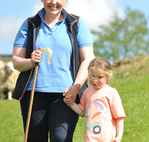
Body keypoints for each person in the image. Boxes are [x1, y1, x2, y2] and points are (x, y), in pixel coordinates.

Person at [12, 0, 94, 141]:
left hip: (66, 94)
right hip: (33, 94)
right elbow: (16, 61)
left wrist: (75, 88)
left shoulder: (77, 23)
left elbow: (88, 60)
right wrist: (31, 61)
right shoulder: (29, 24)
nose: (54, 2)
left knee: (60, 138)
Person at [64, 57, 126, 142]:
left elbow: (119, 117)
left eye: (100, 77)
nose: (95, 80)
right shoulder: (87, 92)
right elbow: (83, 112)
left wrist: (119, 136)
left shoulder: (111, 93)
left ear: (107, 76)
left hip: (107, 138)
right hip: (90, 137)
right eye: (92, 76)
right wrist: (71, 103)